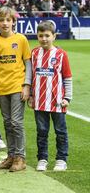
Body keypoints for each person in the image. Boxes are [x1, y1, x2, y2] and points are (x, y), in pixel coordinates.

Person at [0, 6, 31, 172]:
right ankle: (11, 156)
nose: (5, 23)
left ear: (13, 21)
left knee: (16, 122)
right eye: (1, 20)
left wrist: (27, 85)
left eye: (8, 20)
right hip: (1, 88)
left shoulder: (21, 39)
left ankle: (20, 158)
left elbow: (28, 63)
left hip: (17, 86)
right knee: (7, 123)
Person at [28, 21, 72, 171]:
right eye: (41, 36)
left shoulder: (61, 55)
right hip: (40, 102)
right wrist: (31, 95)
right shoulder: (34, 53)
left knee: (60, 132)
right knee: (42, 132)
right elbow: (31, 76)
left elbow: (67, 77)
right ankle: (42, 159)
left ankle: (61, 159)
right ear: (37, 36)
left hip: (57, 101)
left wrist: (67, 98)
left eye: (47, 35)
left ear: (54, 36)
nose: (44, 39)